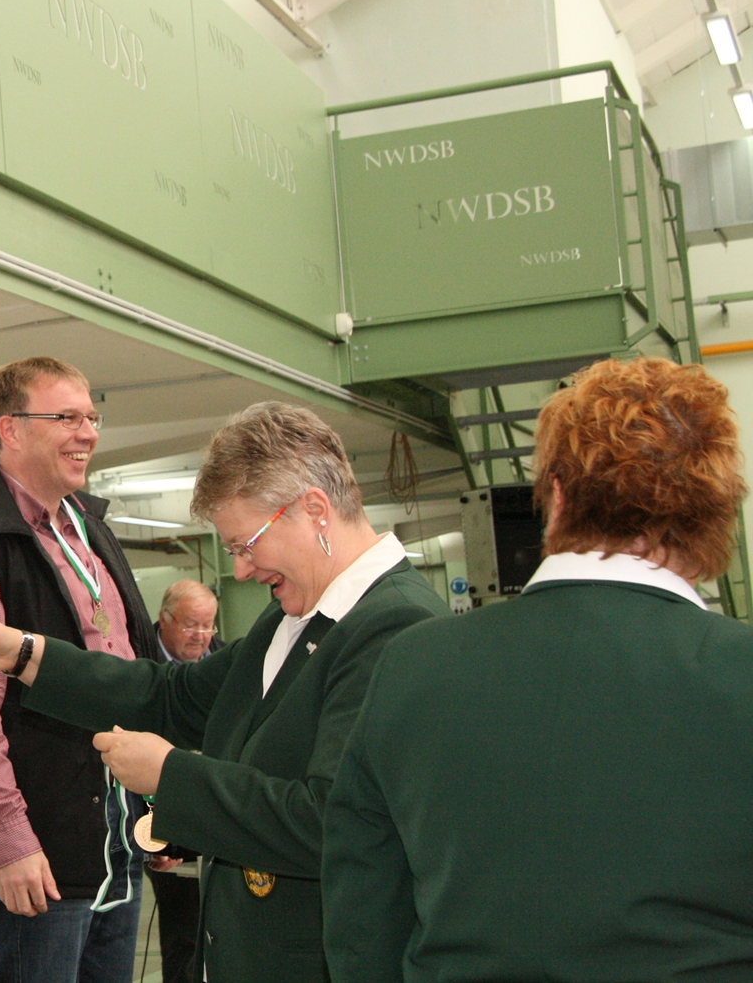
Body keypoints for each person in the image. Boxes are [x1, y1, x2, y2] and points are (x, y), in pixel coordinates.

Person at [0, 402, 449, 983]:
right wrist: (23, 655)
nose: (240, 571)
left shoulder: (394, 626)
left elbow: (330, 820)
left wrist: (172, 778)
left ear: (315, 510)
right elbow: (174, 697)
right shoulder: (293, 618)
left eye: (246, 544)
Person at [322, 357, 753, 982]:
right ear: (715, 513)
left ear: (555, 493)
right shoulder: (738, 672)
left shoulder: (414, 665)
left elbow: (363, 913)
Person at [0, 357, 159, 983]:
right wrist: (9, 838)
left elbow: (135, 669)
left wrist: (160, 802)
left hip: (117, 832)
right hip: (43, 844)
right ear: (12, 429)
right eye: (67, 418)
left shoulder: (89, 529)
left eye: (92, 417)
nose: (88, 433)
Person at [143, 579, 219, 983]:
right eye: (191, 625)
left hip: (217, 815)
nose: (200, 636)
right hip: (161, 817)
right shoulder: (138, 661)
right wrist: (159, 831)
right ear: (165, 619)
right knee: (184, 935)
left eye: (208, 625)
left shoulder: (224, 661)